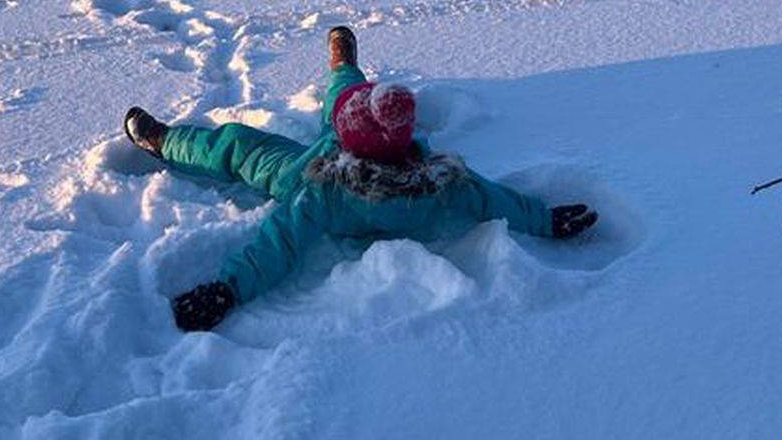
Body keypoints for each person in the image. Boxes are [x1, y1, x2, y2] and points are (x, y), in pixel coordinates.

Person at [125, 27, 597, 332]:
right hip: (363, 152)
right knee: (348, 97)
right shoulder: (444, 181)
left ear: (348, 141)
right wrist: (546, 219)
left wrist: (226, 290)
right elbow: (498, 200)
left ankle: (165, 142)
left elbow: (278, 245)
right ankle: (343, 67)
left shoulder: (320, 190)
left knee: (237, 146)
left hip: (304, 168)